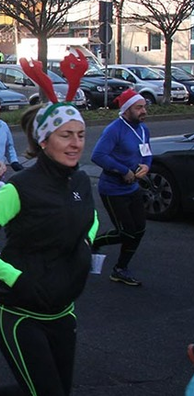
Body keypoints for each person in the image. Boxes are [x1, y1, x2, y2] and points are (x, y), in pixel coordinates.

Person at [0, 56, 98, 396]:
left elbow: (91, 219)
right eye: (66, 135)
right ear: (43, 141)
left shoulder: (80, 180)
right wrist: (14, 277)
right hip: (20, 311)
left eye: (80, 134)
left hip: (64, 310)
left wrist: (85, 246)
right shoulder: (19, 188)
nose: (76, 143)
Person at [91, 88, 151, 286]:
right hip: (112, 189)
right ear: (126, 110)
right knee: (126, 231)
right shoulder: (114, 129)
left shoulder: (143, 128)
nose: (144, 111)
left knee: (139, 229)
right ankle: (93, 243)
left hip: (133, 188)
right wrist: (123, 170)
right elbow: (98, 155)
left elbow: (146, 153)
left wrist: (146, 165)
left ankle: (120, 269)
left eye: (144, 107)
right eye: (139, 107)